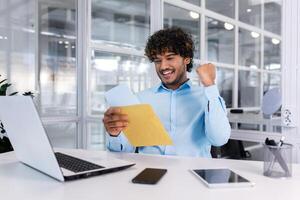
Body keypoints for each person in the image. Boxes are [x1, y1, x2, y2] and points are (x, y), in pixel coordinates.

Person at [102, 27, 231, 157]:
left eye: (170, 58)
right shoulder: (141, 99)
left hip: (192, 174)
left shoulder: (207, 97)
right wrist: (115, 134)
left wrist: (210, 84)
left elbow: (219, 139)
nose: (163, 66)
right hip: (149, 173)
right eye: (158, 60)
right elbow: (124, 152)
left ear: (186, 59)